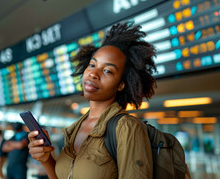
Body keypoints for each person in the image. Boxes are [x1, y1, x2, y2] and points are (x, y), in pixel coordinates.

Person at [28, 22, 157, 179]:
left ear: (121, 84)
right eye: (92, 65)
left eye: (107, 71)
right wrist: (46, 159)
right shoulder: (74, 129)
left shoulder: (127, 128)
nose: (93, 74)